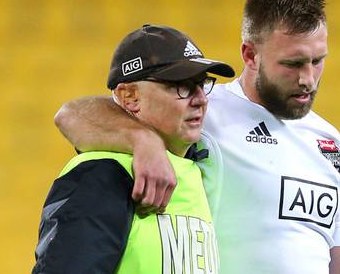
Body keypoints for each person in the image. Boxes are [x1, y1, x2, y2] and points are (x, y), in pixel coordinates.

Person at [55, 0, 340, 274]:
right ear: (250, 55)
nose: (308, 79)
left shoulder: (329, 144)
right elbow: (72, 114)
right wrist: (143, 141)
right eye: (293, 64)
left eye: (318, 61)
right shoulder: (202, 110)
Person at [32, 24, 235, 273]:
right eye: (181, 86)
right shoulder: (103, 172)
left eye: (202, 84)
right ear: (130, 97)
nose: (201, 99)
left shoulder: (199, 167)